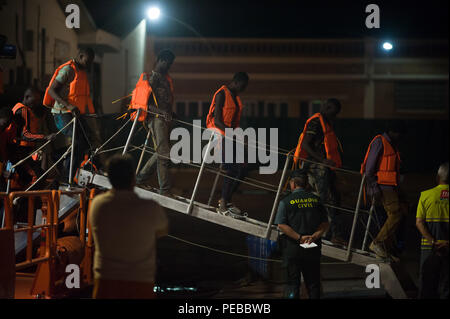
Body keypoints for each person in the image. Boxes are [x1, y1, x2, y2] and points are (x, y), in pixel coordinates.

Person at [89, 154, 168, 299]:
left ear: (110, 178)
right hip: (140, 282)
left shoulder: (98, 204)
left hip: (106, 282)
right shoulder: (150, 207)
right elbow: (161, 231)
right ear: (133, 178)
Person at [293, 99, 346, 245]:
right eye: (330, 109)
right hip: (315, 167)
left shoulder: (327, 123)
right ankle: (333, 235)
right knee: (328, 200)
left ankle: (329, 234)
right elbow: (305, 144)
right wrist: (321, 161)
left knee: (332, 199)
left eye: (334, 112)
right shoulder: (316, 122)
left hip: (324, 169)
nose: (331, 113)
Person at [275, 169, 329, 299]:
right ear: (306, 184)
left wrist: (299, 238)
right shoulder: (317, 200)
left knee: (292, 284)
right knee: (313, 284)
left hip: (292, 249)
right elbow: (325, 223)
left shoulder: (285, 202)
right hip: (312, 247)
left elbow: (281, 225)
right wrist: (314, 236)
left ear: (293, 184)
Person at [43, 47, 96, 182]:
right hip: (62, 114)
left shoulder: (82, 71)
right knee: (78, 141)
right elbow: (51, 91)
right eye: (88, 61)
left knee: (89, 140)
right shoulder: (68, 70)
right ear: (81, 56)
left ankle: (58, 155)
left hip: (75, 114)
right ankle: (66, 177)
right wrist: (68, 105)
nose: (89, 65)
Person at [361, 121, 408, 260]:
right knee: (396, 214)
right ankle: (378, 243)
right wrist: (374, 187)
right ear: (393, 132)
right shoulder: (379, 142)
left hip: (391, 186)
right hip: (382, 186)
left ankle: (387, 248)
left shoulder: (392, 145)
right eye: (399, 134)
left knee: (401, 212)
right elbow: (369, 169)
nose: (400, 137)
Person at [205, 72, 249, 219]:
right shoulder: (221, 94)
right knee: (231, 167)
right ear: (236, 82)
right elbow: (217, 121)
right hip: (219, 135)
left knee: (243, 168)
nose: (243, 89)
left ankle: (227, 199)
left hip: (230, 135)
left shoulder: (235, 98)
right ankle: (223, 203)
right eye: (243, 86)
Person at [135, 49, 176, 196]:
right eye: (167, 63)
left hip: (164, 120)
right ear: (160, 60)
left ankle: (139, 178)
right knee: (164, 153)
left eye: (170, 64)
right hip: (156, 119)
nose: (168, 66)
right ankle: (164, 189)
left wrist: (169, 113)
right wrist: (161, 113)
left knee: (161, 152)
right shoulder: (152, 78)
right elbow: (145, 103)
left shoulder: (165, 78)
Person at [416, 162, 448, 299]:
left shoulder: (425, 195)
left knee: (427, 284)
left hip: (429, 248)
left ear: (438, 177)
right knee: (447, 285)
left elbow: (419, 222)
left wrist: (433, 241)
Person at [11, 87, 55, 187]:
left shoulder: (22, 109)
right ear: (27, 97)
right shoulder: (23, 110)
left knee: (38, 174)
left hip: (23, 151)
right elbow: (25, 134)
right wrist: (45, 137)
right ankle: (26, 200)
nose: (37, 103)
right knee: (37, 176)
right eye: (35, 100)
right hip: (20, 151)